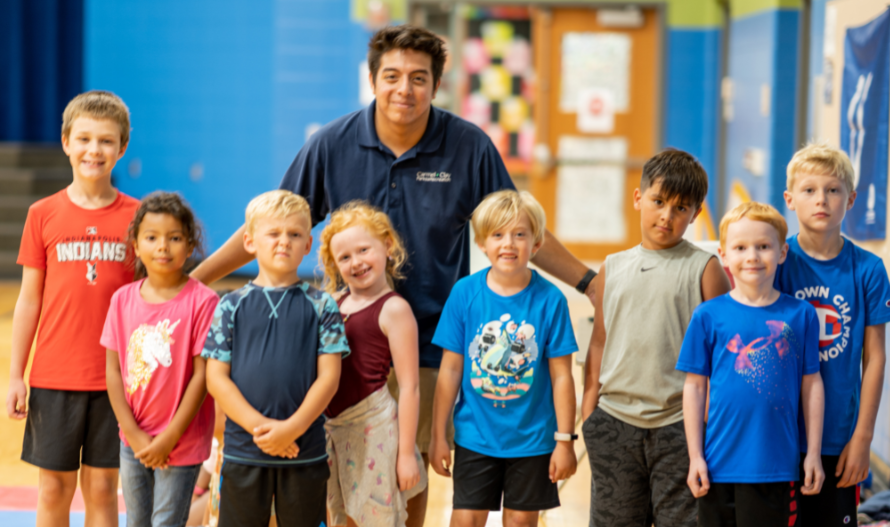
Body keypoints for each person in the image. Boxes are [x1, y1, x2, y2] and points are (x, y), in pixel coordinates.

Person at [189, 26, 597, 525]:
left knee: (408, 475)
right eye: (392, 76)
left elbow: (521, 227)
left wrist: (587, 281)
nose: (405, 89)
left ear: (436, 85)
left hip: (428, 343)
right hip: (340, 347)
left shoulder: (468, 147)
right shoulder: (331, 146)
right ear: (373, 79)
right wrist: (199, 278)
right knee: (336, 474)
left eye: (419, 78)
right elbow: (269, 222)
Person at [6, 90, 139, 527]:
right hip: (53, 376)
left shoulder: (139, 219)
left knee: (103, 489)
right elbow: (29, 300)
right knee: (54, 489)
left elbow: (148, 305)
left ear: (122, 147)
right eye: (83, 139)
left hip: (115, 378)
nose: (93, 151)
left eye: (105, 141)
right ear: (66, 142)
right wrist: (15, 375)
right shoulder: (42, 214)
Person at [581, 148, 731, 526]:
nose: (666, 216)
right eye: (658, 201)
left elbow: (725, 356)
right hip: (614, 422)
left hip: (680, 427)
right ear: (638, 198)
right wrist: (589, 412)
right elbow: (599, 341)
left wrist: (711, 422)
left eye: (681, 208)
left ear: (695, 214)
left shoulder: (706, 269)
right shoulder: (612, 267)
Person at [429, 190, 579, 527]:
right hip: (475, 436)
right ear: (482, 242)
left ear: (536, 244)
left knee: (520, 522)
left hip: (533, 439)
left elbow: (562, 377)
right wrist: (438, 435)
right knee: (465, 520)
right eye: (497, 234)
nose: (508, 244)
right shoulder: (465, 294)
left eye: (519, 234)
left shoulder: (551, 300)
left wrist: (565, 441)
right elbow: (451, 370)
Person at [201, 190, 349, 527]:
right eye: (274, 233)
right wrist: (263, 430)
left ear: (308, 244)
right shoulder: (230, 304)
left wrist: (292, 429)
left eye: (295, 234)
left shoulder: (323, 305)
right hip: (244, 450)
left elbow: (329, 378)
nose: (284, 242)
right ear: (250, 242)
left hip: (304, 451)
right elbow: (216, 379)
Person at [676, 202, 826, 526]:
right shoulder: (708, 316)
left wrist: (812, 453)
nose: (752, 256)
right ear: (724, 255)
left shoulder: (800, 315)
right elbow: (694, 386)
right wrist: (695, 457)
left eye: (763, 246)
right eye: (741, 247)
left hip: (774, 467)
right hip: (717, 466)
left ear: (782, 252)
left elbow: (811, 384)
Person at [778, 144, 890, 527]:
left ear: (851, 199)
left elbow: (875, 358)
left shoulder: (868, 270)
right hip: (778, 433)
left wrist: (863, 437)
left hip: (838, 438)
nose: (822, 200)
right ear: (790, 199)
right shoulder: (774, 261)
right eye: (810, 190)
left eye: (833, 190)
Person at [102, 192, 219, 527]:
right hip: (133, 440)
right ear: (136, 246)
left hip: (181, 443)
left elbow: (201, 376)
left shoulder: (203, 301)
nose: (163, 247)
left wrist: (169, 437)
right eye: (151, 238)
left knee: (166, 522)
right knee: (137, 522)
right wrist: (133, 433)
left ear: (191, 244)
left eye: (175, 238)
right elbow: (113, 371)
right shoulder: (122, 300)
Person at [318, 201, 428, 526]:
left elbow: (409, 386)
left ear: (388, 246)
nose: (357, 262)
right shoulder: (332, 303)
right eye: (345, 257)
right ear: (335, 265)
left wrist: (406, 454)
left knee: (377, 516)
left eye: (364, 249)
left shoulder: (394, 310)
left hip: (374, 426)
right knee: (343, 516)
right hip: (333, 428)